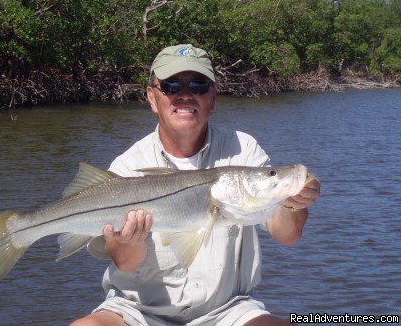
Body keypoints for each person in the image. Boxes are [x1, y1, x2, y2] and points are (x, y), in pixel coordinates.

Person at [70, 44, 321, 326]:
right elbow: (126, 265)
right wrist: (127, 242)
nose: (185, 95)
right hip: (137, 311)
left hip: (228, 311)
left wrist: (290, 201)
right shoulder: (127, 167)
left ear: (213, 97)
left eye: (199, 85)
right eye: (171, 85)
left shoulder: (243, 150)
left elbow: (287, 235)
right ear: (152, 98)